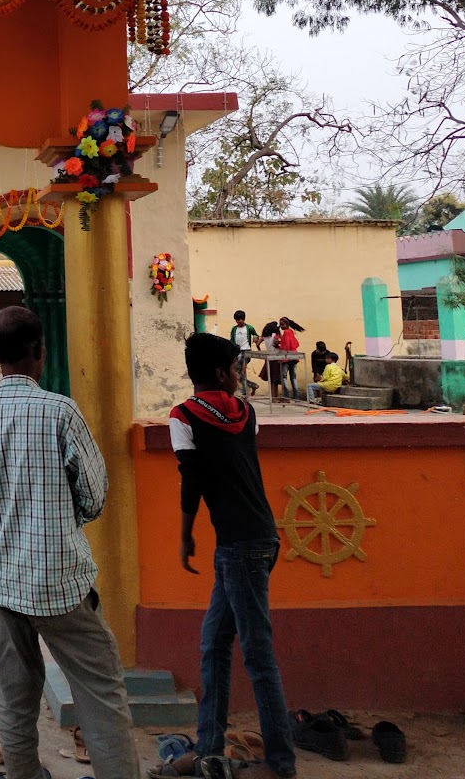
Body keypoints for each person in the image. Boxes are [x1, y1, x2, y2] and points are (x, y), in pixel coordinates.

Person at [0, 306, 136, 779]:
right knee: (100, 690)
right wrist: (58, 519)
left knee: (14, 695)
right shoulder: (60, 411)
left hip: (0, 580)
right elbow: (95, 495)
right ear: (40, 351)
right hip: (60, 582)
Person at [171, 333, 297, 779]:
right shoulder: (246, 412)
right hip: (257, 537)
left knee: (254, 654)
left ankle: (281, 764)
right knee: (215, 645)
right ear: (224, 373)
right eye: (236, 367)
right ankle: (208, 750)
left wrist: (185, 535)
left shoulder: (184, 416)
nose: (240, 374)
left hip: (237, 546)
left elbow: (193, 480)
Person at [229, 311, 259, 396]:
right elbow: (231, 339)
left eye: (240, 320)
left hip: (246, 351)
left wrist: (255, 338)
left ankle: (245, 390)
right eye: (237, 320)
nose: (238, 321)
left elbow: (256, 335)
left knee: (240, 371)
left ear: (243, 319)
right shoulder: (234, 329)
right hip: (237, 351)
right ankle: (251, 386)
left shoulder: (249, 328)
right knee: (239, 372)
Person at [275, 317, 303, 393]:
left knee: (284, 377)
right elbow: (296, 344)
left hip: (286, 358)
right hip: (294, 357)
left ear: (287, 324)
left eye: (282, 324)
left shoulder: (286, 332)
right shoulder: (291, 332)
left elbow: (286, 346)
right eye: (280, 325)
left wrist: (279, 346)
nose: (281, 326)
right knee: (293, 377)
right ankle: (296, 395)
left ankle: (286, 395)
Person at [259, 321, 284, 402]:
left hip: (268, 357)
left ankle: (274, 397)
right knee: (275, 379)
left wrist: (260, 350)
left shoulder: (265, 336)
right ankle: (274, 397)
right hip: (276, 358)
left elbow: (257, 343)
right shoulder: (275, 335)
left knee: (272, 379)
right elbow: (276, 344)